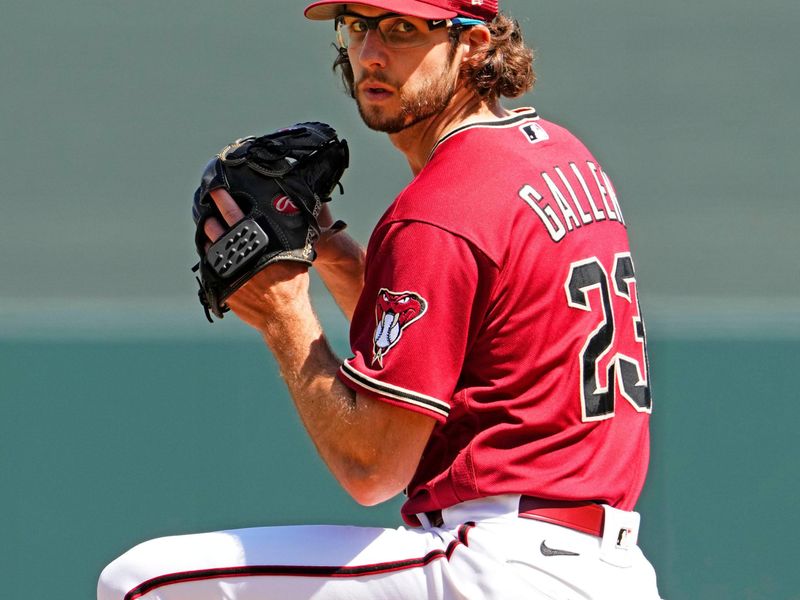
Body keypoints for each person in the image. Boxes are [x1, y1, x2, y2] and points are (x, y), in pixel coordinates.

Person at [98, 0, 663, 598]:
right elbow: (454, 334)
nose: (370, 53)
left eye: (402, 29)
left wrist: (283, 313)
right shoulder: (558, 153)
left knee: (139, 582)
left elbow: (373, 468)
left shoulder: (439, 211)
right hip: (606, 568)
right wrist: (335, 251)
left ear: (473, 43)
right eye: (359, 27)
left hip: (497, 563)